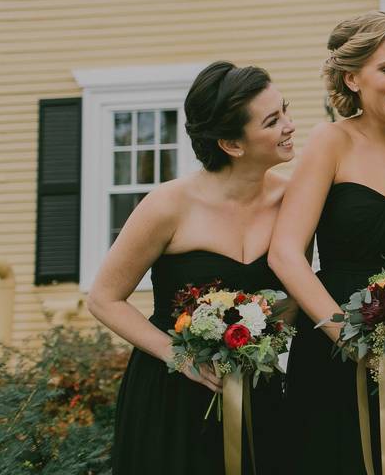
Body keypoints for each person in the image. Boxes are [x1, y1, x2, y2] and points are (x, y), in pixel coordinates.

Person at [89, 61, 296, 474]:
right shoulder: (167, 206)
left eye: (285, 110)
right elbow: (104, 298)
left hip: (258, 392)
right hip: (172, 397)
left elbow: (294, 295)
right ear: (232, 144)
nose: (290, 125)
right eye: (273, 120)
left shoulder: (294, 200)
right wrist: (182, 359)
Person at [267, 11, 385, 473]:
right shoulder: (331, 142)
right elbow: (286, 253)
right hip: (332, 349)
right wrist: (347, 339)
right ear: (352, 77)